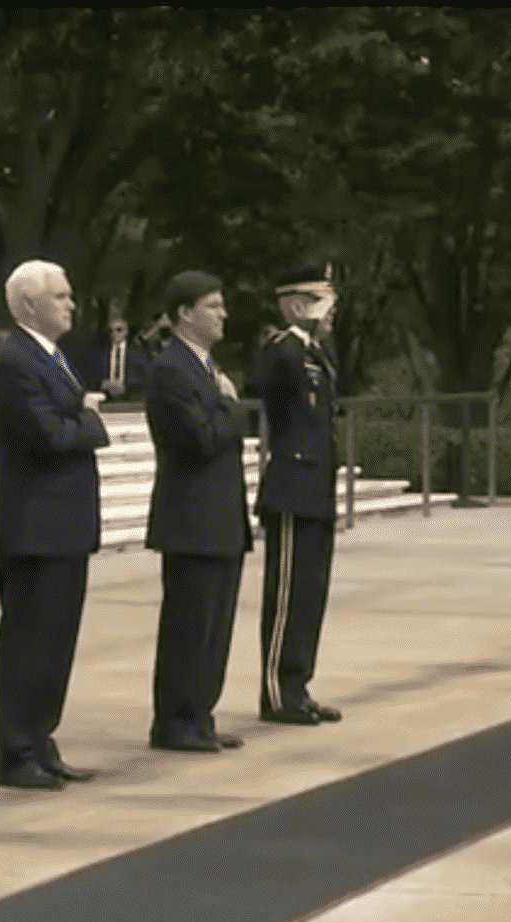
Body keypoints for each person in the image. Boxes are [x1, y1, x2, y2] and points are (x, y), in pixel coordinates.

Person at [0, 259, 109, 791]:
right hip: (34, 526)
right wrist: (88, 418)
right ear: (29, 305)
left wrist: (78, 416)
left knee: (56, 640)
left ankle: (41, 740)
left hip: (62, 524)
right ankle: (16, 750)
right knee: (28, 641)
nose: (71, 304)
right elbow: (49, 434)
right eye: (60, 296)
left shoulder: (53, 357)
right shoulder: (15, 358)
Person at [145, 271, 255, 752]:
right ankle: (175, 720)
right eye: (212, 305)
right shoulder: (172, 368)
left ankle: (200, 714)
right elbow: (201, 437)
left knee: (216, 625)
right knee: (189, 625)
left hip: (220, 516)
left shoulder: (206, 367)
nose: (223, 314)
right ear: (185, 314)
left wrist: (224, 407)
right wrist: (232, 407)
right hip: (191, 519)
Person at [251, 261, 344, 726]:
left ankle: (298, 684)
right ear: (296, 304)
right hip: (291, 486)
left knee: (311, 593)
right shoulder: (284, 350)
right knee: (287, 595)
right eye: (322, 301)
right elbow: (272, 383)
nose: (331, 313)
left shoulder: (314, 354)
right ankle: (276, 690)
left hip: (317, 488)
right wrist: (295, 326)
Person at [79, 315, 148, 402]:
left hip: (131, 401)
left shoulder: (137, 352)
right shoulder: (99, 352)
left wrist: (124, 386)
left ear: (126, 332)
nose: (114, 333)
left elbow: (144, 379)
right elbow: (88, 377)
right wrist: (102, 384)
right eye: (111, 330)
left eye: (119, 329)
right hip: (105, 399)